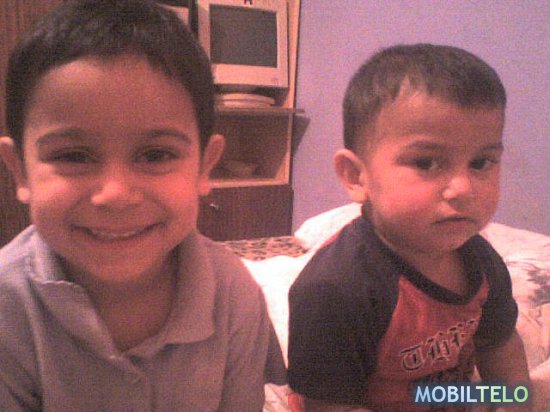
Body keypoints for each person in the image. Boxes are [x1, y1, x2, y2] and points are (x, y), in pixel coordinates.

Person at [0, 1, 285, 410]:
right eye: (73, 156)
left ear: (205, 166)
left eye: (155, 155)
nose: (115, 194)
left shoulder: (234, 294)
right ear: (21, 172)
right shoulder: (8, 305)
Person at [287, 44, 531, 411]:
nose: (463, 188)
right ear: (356, 176)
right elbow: (328, 405)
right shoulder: (334, 289)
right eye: (427, 162)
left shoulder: (480, 260)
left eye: (481, 162)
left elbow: (500, 346)